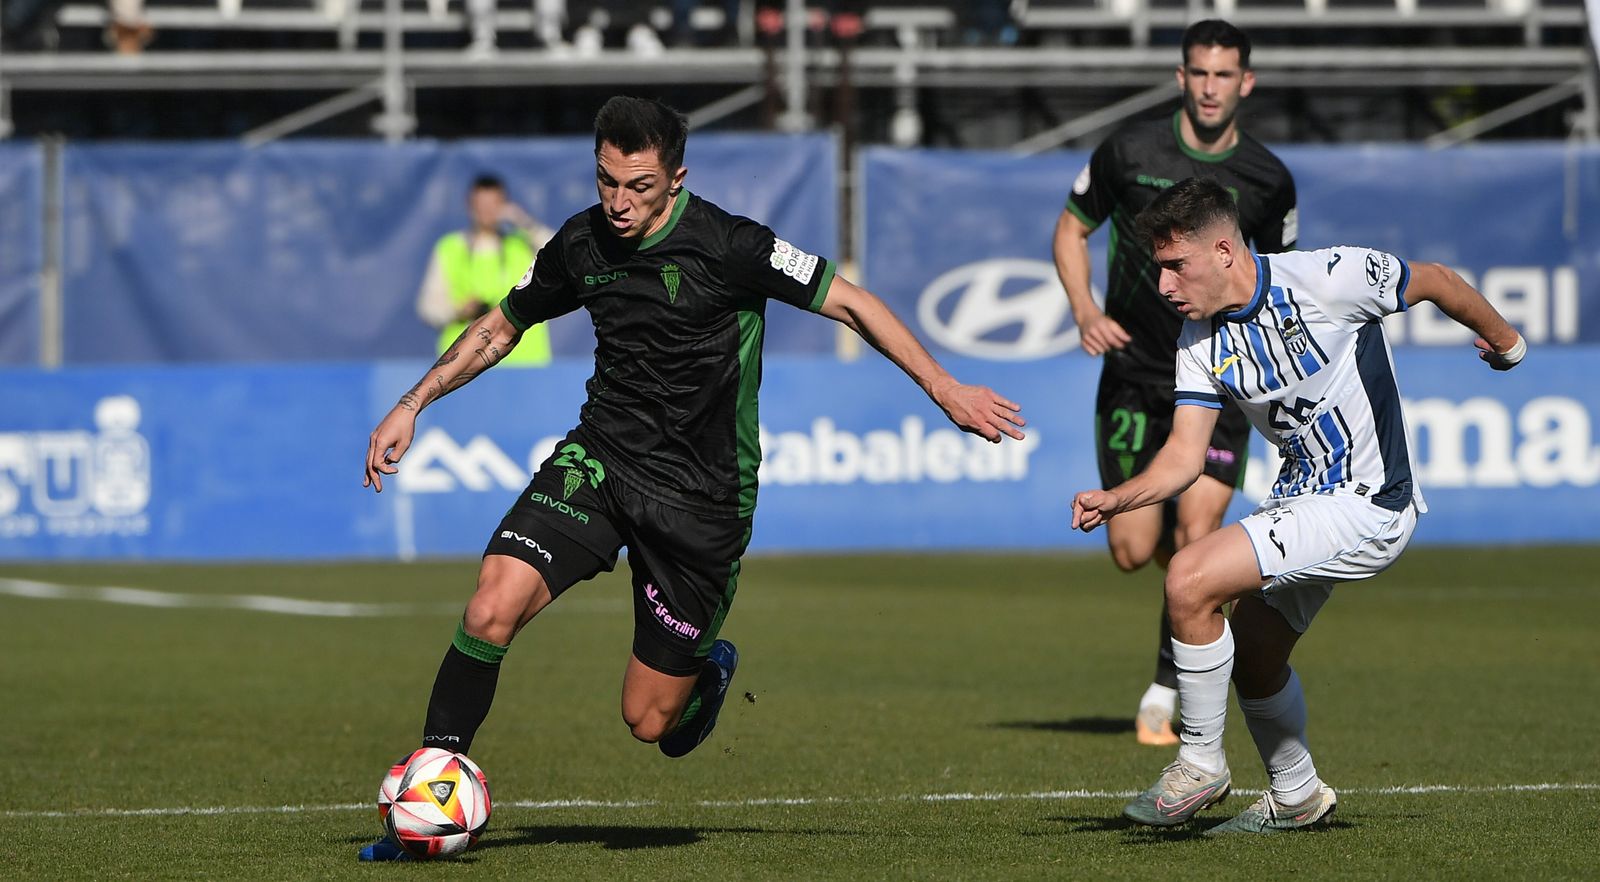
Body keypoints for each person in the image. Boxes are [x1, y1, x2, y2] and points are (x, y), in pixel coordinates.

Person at [361, 96, 1025, 860]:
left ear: (676, 178)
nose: (619, 202)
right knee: (490, 606)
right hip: (602, 461)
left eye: (639, 186)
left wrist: (944, 387)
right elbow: (502, 325)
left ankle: (704, 673)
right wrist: (413, 402)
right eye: (607, 180)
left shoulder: (731, 244)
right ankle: (427, 798)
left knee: (649, 721)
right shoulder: (579, 243)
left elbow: (850, 302)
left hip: (702, 502)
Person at [1071, 177, 1524, 833]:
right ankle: (1297, 795)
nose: (1164, 285)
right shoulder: (1198, 339)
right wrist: (1119, 497)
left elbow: (1434, 280)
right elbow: (1183, 458)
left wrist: (1507, 344)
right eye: (1158, 268)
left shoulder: (1328, 277)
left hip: (1368, 500)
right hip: (1303, 496)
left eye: (1176, 265)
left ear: (1224, 250)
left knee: (1189, 578)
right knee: (1255, 656)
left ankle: (1199, 763)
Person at [1051, 19, 1297, 746]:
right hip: (1132, 374)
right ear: (1181, 77)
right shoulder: (1129, 151)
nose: (1211, 87)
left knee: (1198, 532)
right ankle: (1192, 590)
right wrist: (1085, 309)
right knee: (1133, 549)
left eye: (1224, 75)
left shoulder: (1268, 178)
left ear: (1245, 82)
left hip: (1219, 377)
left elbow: (1278, 278)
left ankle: (1168, 687)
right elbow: (1071, 229)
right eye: (1200, 73)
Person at [416, 175, 555, 367]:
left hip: (525, 362)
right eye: (481, 205)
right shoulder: (450, 248)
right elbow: (429, 306)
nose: (487, 211)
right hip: (464, 364)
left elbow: (562, 253)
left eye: (494, 204)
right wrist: (458, 311)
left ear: (505, 205)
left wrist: (524, 222)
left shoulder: (523, 243)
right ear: (469, 206)